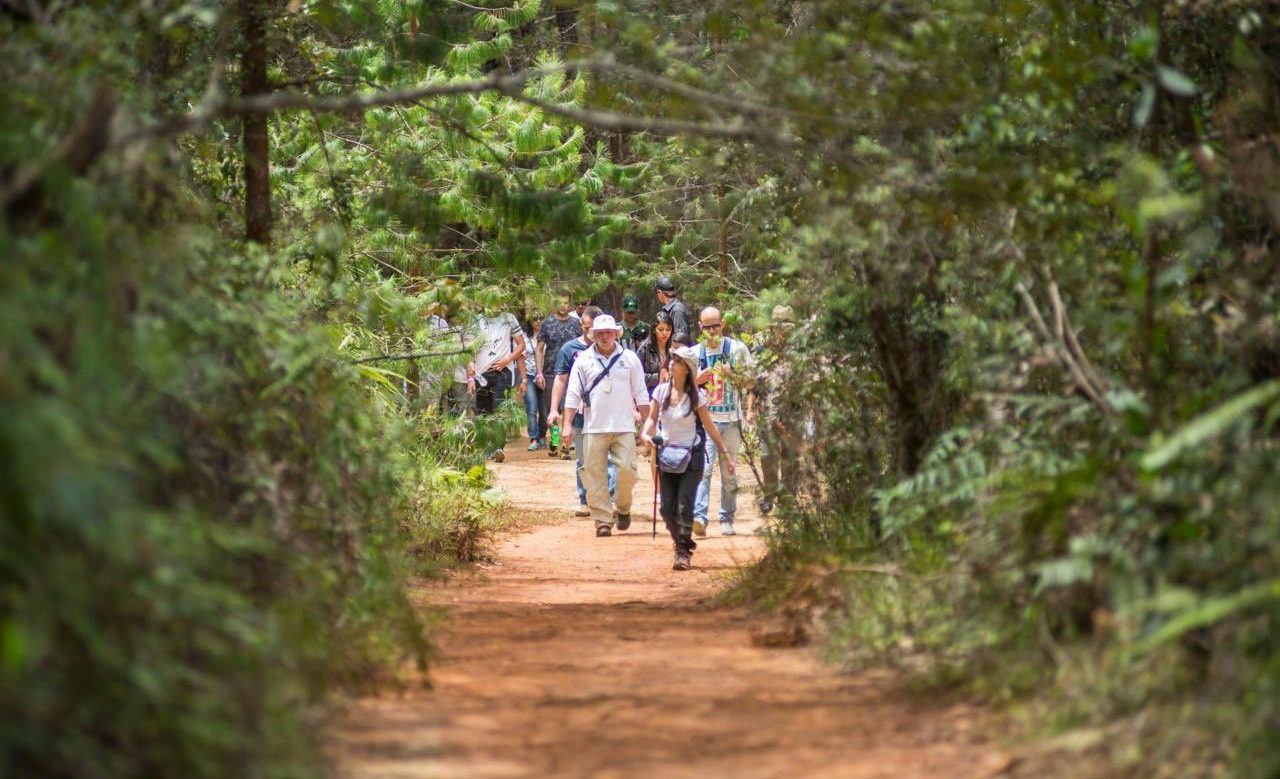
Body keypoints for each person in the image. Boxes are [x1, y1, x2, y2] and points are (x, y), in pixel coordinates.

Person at [641, 345, 737, 570]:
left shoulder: (697, 397)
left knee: (684, 506)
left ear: (687, 369)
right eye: (672, 359)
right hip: (666, 456)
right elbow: (652, 419)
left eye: (679, 361)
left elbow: (710, 427)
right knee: (666, 508)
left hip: (692, 456)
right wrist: (646, 433)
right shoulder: (661, 392)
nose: (673, 363)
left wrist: (725, 454)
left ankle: (682, 552)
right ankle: (683, 541)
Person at [562, 314, 650, 537]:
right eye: (599, 333)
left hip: (624, 426)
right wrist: (567, 425)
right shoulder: (583, 360)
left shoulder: (629, 358)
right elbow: (572, 394)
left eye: (608, 332)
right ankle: (601, 519)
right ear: (593, 335)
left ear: (616, 334)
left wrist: (649, 425)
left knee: (627, 470)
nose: (604, 337)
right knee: (594, 474)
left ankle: (623, 507)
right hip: (593, 426)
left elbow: (641, 393)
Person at [692, 306, 755, 536]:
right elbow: (678, 386)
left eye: (715, 326)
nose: (711, 331)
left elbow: (751, 383)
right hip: (706, 423)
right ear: (700, 327)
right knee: (704, 470)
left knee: (729, 473)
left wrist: (733, 374)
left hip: (731, 421)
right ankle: (699, 517)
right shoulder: (693, 353)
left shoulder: (737, 349)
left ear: (722, 325)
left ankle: (727, 517)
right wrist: (696, 379)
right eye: (706, 327)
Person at [548, 307, 616, 515]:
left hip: (606, 412)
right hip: (579, 413)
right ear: (582, 326)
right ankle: (585, 499)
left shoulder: (614, 350)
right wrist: (554, 410)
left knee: (609, 458)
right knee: (583, 458)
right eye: (588, 327)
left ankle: (609, 498)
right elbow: (561, 379)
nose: (592, 332)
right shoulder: (570, 349)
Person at [466, 307, 526, 462]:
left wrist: (508, 359)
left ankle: (498, 447)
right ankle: (486, 447)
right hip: (482, 372)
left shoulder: (509, 318)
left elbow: (521, 345)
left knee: (499, 408)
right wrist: (470, 367)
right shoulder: (475, 320)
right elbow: (468, 348)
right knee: (483, 411)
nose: (496, 304)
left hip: (503, 370)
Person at [756, 305, 799, 514]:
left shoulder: (801, 351)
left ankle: (788, 497)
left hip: (793, 412)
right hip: (768, 411)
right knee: (766, 455)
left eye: (787, 326)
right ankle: (769, 494)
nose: (783, 330)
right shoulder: (763, 349)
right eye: (780, 326)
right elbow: (754, 380)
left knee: (790, 457)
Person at [536, 293, 582, 456]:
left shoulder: (577, 324)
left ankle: (566, 445)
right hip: (550, 372)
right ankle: (555, 442)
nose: (563, 306)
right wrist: (539, 372)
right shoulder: (547, 323)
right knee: (553, 410)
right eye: (560, 302)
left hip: (572, 372)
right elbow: (540, 349)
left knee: (568, 408)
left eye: (566, 303)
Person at [636, 310, 674, 395]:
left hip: (671, 396)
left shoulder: (674, 347)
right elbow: (637, 376)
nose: (665, 333)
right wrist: (659, 376)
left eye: (668, 329)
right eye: (661, 329)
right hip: (650, 395)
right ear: (653, 330)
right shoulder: (644, 349)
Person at [522, 318, 544, 451]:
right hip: (529, 376)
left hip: (545, 376)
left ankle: (542, 436)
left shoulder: (548, 334)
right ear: (529, 321)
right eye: (534, 319)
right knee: (532, 408)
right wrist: (523, 379)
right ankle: (534, 438)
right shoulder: (524, 337)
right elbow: (521, 358)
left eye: (540, 318)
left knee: (545, 410)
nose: (538, 321)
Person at [655, 276, 695, 347]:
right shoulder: (671, 309)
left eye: (656, 292)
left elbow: (681, 338)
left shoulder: (677, 310)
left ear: (660, 292)